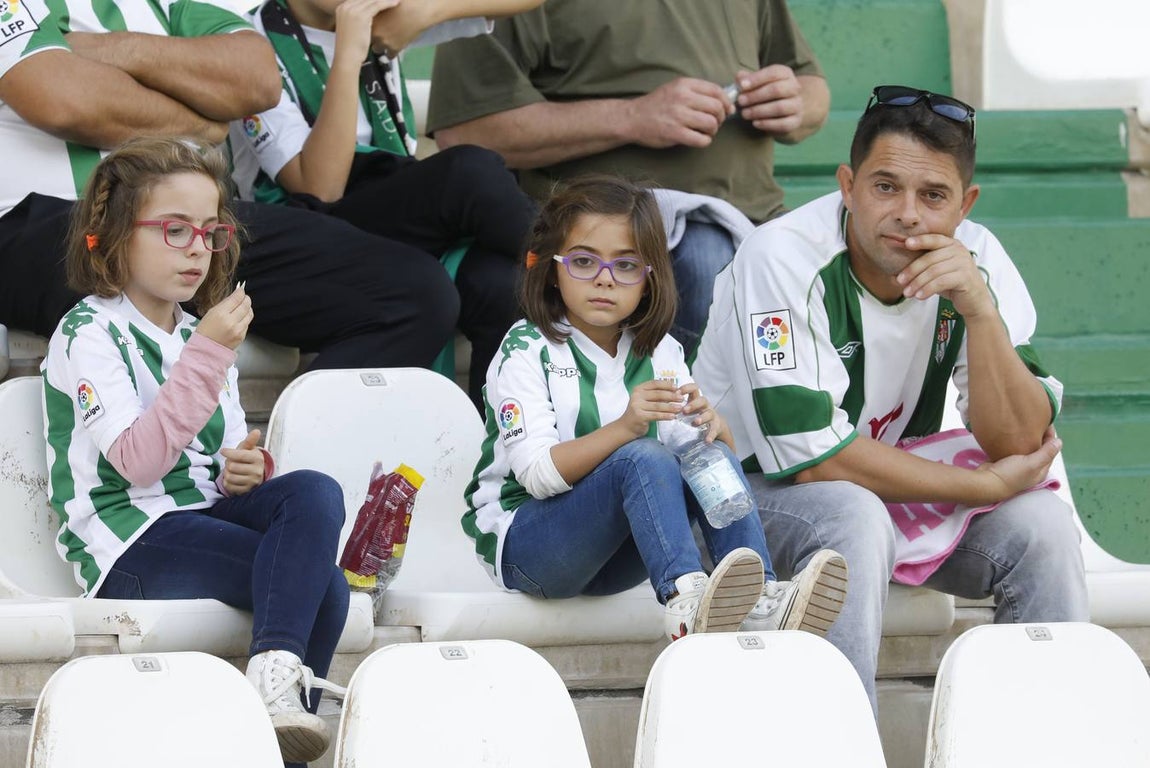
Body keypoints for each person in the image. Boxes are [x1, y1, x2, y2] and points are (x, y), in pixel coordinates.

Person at [692, 85, 1090, 712]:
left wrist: (980, 314)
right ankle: (843, 747)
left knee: (1041, 527)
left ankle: (1039, 740)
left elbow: (1018, 442)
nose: (908, 213)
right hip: (741, 502)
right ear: (847, 186)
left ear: (965, 205)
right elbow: (817, 461)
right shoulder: (781, 257)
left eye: (933, 196)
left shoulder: (977, 258)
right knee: (853, 512)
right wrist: (982, 488)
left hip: (893, 495)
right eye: (885, 187)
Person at [40, 138, 349, 767]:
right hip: (128, 542)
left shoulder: (197, 332)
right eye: (174, 230)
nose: (196, 250)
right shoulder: (88, 331)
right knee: (328, 587)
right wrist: (207, 353)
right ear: (119, 234)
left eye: (208, 233)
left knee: (314, 490)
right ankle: (276, 736)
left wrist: (247, 470)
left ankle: (273, 698)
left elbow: (223, 455)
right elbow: (139, 463)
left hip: (201, 518)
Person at [464, 175, 848, 643]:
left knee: (707, 456)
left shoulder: (661, 353)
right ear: (550, 267)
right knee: (642, 457)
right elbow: (538, 476)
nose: (605, 279)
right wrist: (629, 426)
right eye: (584, 262)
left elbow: (697, 468)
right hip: (527, 550)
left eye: (626, 266)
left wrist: (717, 433)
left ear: (649, 279)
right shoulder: (525, 349)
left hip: (618, 560)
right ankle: (687, 598)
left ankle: (760, 596)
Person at [0, 0, 457, 380]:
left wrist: (101, 52)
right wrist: (200, 118)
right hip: (47, 225)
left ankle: (291, 473)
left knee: (412, 293)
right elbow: (63, 100)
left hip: (199, 226)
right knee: (135, 326)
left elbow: (256, 78)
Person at [425, 0, 831, 354]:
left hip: (760, 219)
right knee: (707, 255)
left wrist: (795, 102)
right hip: (608, 227)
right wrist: (632, 117)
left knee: (859, 256)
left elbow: (812, 88)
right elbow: (467, 130)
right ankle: (679, 434)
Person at [231, 0, 544, 406]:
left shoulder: (384, 17)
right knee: (469, 173)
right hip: (312, 230)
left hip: (399, 211)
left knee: (500, 286)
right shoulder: (249, 41)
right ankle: (573, 260)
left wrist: (423, 14)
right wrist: (349, 53)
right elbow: (321, 188)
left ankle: (492, 456)